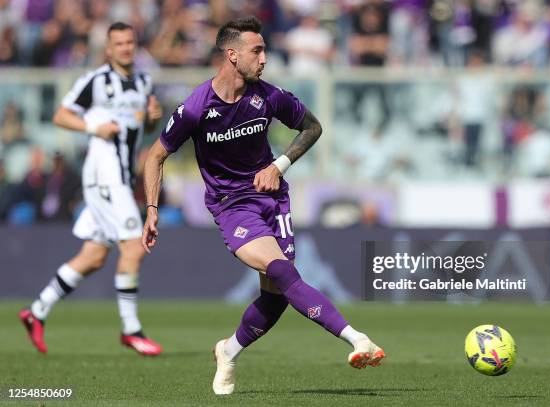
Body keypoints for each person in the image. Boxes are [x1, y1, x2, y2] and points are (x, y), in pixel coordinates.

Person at [141, 17, 385, 395]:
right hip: (231, 206)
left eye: (265, 50)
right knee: (283, 272)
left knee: (275, 298)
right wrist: (152, 209)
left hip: (273, 199)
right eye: (257, 51)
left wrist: (279, 165)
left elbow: (312, 127)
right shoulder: (195, 108)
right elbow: (154, 157)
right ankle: (357, 339)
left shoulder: (269, 96)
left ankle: (228, 351)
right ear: (232, 54)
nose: (265, 58)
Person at [19, 22, 164, 356]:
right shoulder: (96, 81)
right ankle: (131, 330)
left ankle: (36, 311)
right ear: (109, 49)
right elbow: (60, 115)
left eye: (130, 42)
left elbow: (145, 126)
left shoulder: (143, 81)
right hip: (103, 174)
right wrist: (93, 126)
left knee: (94, 255)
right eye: (119, 43)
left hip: (123, 175)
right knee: (134, 246)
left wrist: (154, 118)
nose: (126, 48)